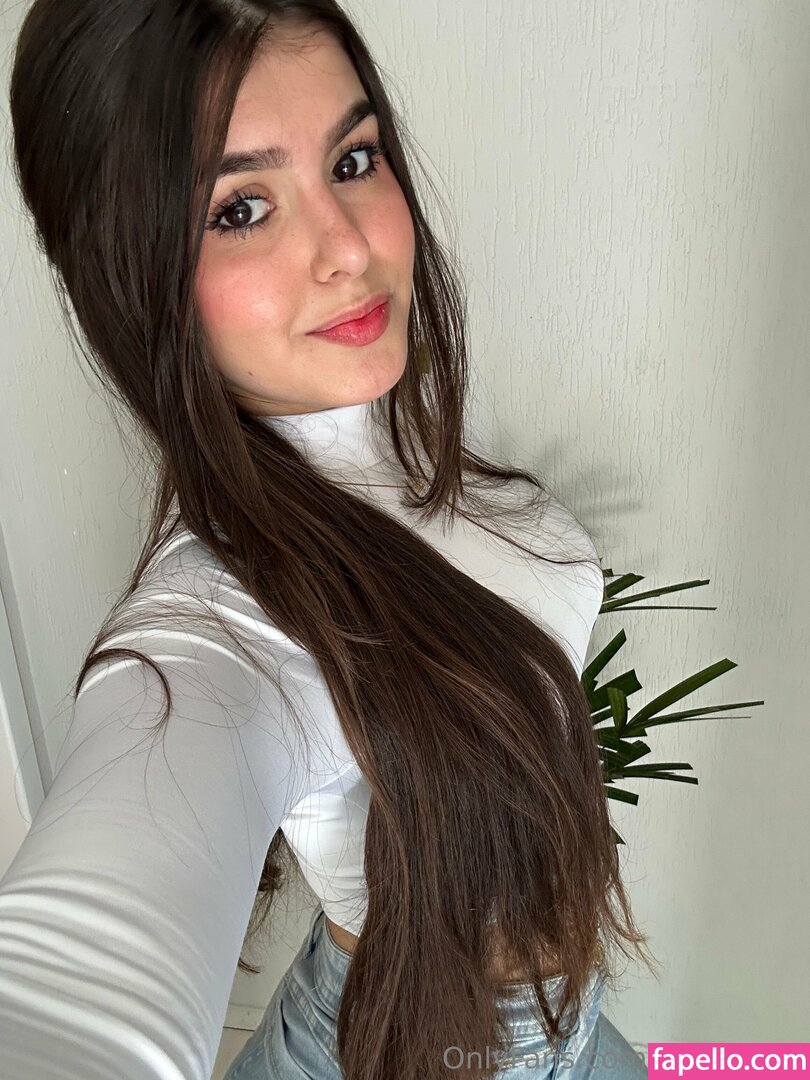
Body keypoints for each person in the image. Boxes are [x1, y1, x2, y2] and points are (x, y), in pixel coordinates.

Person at [0, 2, 657, 1077]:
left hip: (569, 1030)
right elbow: (76, 993)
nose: (349, 248)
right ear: (132, 273)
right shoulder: (222, 625)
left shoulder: (409, 455)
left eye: (353, 160)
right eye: (241, 209)